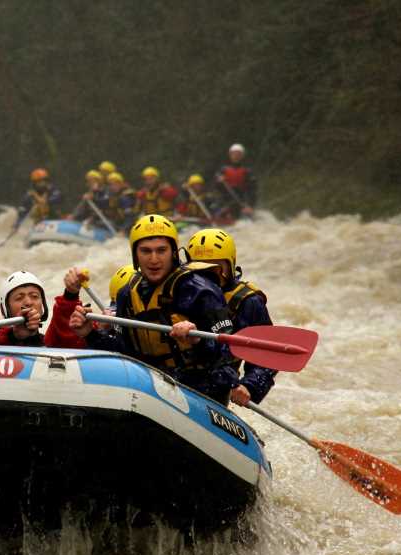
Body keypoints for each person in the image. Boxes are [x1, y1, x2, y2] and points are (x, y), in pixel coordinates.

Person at [69, 214, 240, 404]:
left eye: (161, 250)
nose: (154, 259)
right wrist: (89, 334)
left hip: (199, 391)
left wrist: (197, 340)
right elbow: (124, 352)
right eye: (145, 251)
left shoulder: (200, 290)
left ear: (173, 252)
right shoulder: (127, 294)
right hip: (150, 389)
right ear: (135, 255)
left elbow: (229, 351)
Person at [185, 228, 276, 406]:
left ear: (231, 265)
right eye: (200, 268)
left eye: (217, 269)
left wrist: (249, 386)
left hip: (214, 387)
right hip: (172, 378)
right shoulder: (177, 291)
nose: (208, 277)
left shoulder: (247, 302)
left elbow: (266, 355)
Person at [0, 269, 86, 349]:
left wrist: (71, 295)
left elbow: (63, 324)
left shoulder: (51, 343)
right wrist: (15, 337)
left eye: (34, 296)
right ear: (4, 309)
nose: (28, 302)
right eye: (19, 298)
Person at [216, 143, 258, 218]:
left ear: (242, 156)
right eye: (234, 154)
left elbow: (252, 190)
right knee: (217, 210)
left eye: (238, 154)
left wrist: (250, 205)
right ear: (230, 155)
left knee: (243, 215)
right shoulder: (222, 170)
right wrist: (219, 182)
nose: (236, 156)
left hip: (240, 200)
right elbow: (217, 187)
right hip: (225, 199)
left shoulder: (247, 171)